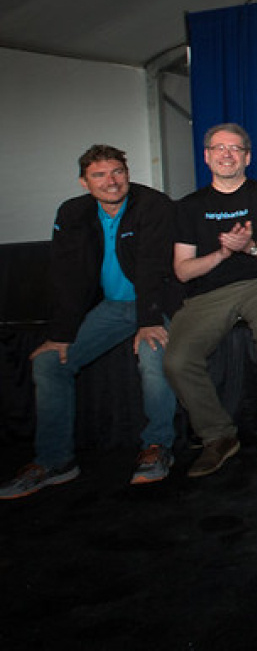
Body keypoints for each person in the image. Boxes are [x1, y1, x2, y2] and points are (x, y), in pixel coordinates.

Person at [0, 146, 178, 499]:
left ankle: (158, 446)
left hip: (157, 304)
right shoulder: (72, 212)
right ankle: (55, 461)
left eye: (117, 172)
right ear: (84, 182)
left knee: (153, 353)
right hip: (112, 307)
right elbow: (66, 276)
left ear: (128, 173)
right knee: (50, 362)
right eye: (100, 175)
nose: (111, 182)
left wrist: (149, 321)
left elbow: (152, 266)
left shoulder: (153, 204)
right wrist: (61, 335)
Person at [163, 124, 257, 478]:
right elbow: (183, 271)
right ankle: (218, 436)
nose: (226, 154)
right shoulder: (189, 207)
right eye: (218, 148)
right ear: (206, 156)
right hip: (209, 291)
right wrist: (223, 253)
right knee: (177, 359)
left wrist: (250, 247)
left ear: (247, 157)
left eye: (235, 149)